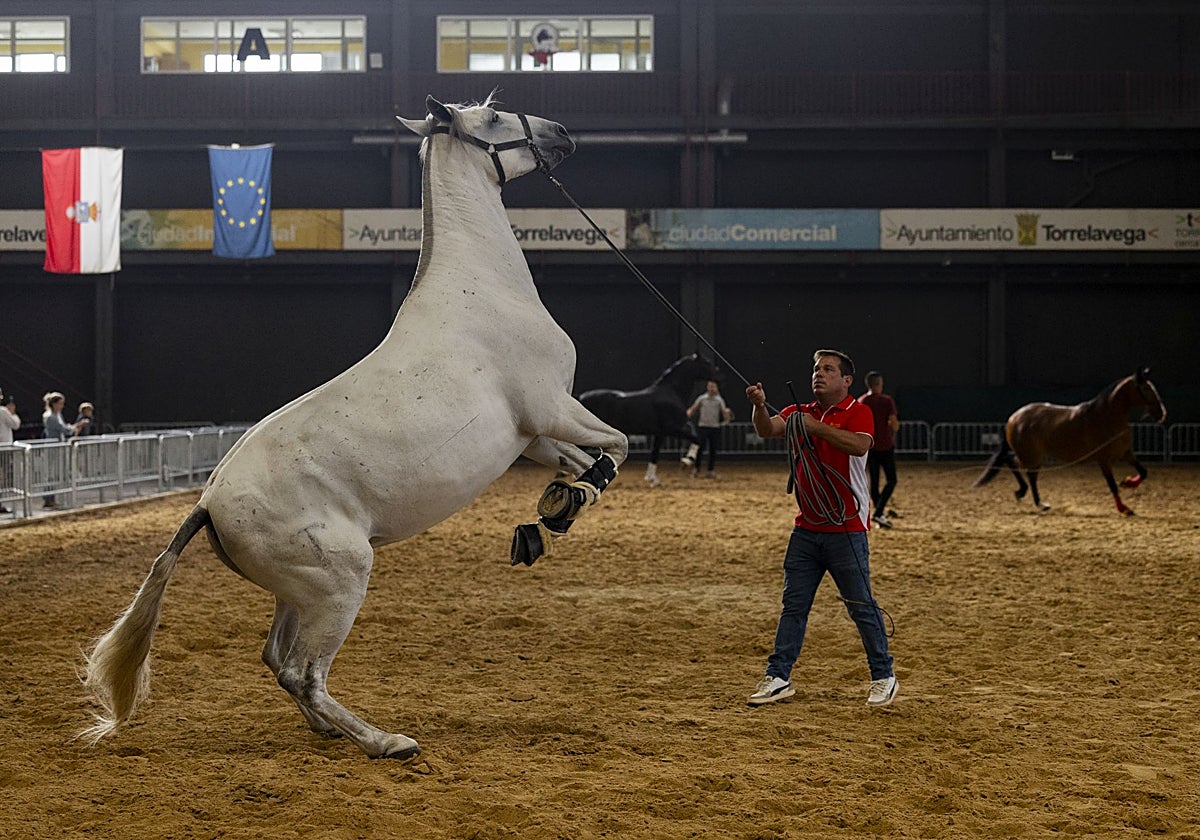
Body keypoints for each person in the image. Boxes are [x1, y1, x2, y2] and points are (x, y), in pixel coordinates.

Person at [744, 349, 897, 709]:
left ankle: (883, 675)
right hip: (806, 530)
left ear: (846, 381)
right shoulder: (799, 412)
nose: (819, 374)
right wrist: (759, 406)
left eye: (828, 369)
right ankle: (779, 675)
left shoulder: (858, 411)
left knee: (861, 606)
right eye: (816, 368)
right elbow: (768, 429)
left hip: (847, 529)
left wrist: (816, 428)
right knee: (793, 606)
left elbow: (860, 445)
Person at [860, 371, 900, 529]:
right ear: (879, 384)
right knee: (892, 480)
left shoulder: (862, 401)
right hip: (885, 445)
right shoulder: (887, 401)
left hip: (869, 446)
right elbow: (894, 423)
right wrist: (893, 427)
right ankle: (879, 511)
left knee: (873, 482)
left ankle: (879, 513)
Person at [686, 379, 733, 478]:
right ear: (707, 387)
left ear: (716, 388)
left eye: (713, 386)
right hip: (703, 427)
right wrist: (687, 415)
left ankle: (710, 471)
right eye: (710, 386)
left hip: (714, 427)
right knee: (700, 449)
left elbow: (724, 412)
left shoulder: (719, 400)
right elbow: (693, 408)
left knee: (713, 450)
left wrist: (727, 417)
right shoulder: (701, 398)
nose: (712, 388)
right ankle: (696, 470)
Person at [41, 391, 73, 509]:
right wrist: (74, 427)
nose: (62, 406)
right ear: (54, 404)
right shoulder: (50, 417)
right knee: (51, 473)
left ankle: (51, 497)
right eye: (60, 403)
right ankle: (48, 497)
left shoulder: (57, 415)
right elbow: (63, 429)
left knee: (56, 472)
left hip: (58, 445)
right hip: (52, 446)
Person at [0, 389, 19, 514]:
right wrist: (13, 413)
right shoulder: (3, 411)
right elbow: (15, 424)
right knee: (2, 478)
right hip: (3, 448)